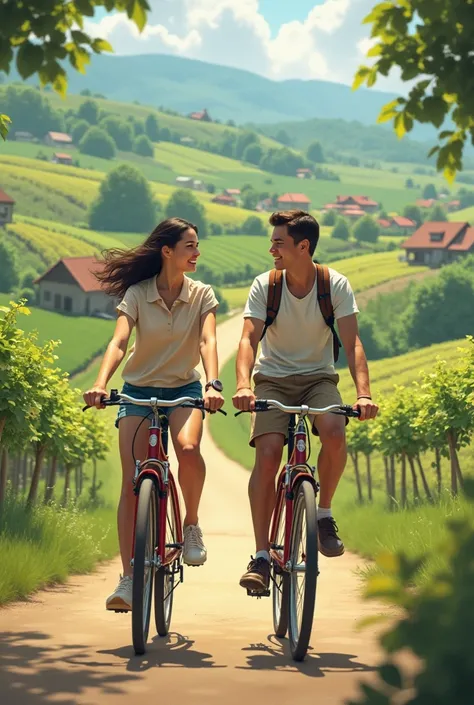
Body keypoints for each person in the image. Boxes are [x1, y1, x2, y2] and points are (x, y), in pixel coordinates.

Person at [232, 210, 379, 593]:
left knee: (333, 430)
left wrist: (363, 394)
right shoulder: (266, 285)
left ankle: (324, 514)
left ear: (303, 246)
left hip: (318, 379)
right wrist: (243, 385)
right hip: (272, 381)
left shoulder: (335, 285)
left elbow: (352, 343)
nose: (272, 249)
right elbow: (248, 339)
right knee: (267, 454)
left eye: (278, 242)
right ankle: (262, 556)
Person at [83, 217, 225, 611]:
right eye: (190, 246)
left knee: (188, 448)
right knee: (132, 479)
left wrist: (213, 384)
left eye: (197, 245)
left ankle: (191, 525)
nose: (197, 252)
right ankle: (128, 577)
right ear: (168, 251)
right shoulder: (137, 293)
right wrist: (100, 382)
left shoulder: (202, 294)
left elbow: (209, 339)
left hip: (183, 389)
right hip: (139, 391)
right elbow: (119, 340)